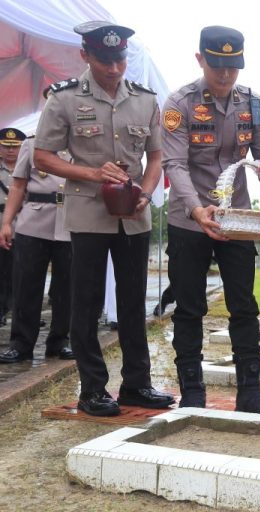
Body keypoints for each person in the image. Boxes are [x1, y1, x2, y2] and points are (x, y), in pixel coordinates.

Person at [34, 21, 174, 416]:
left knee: (133, 302)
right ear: (85, 55)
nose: (113, 69)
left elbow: (156, 157)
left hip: (133, 215)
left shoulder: (144, 99)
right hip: (88, 214)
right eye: (104, 60)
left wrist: (146, 190)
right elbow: (42, 156)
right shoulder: (63, 98)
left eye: (119, 60)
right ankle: (93, 389)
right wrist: (92, 173)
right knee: (87, 302)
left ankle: (136, 385)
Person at [162, 26, 260, 414]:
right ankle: (193, 392)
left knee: (244, 305)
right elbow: (174, 164)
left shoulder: (254, 103)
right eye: (217, 66)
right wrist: (198, 210)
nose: (226, 74)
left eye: (233, 66)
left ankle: (251, 391)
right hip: (189, 219)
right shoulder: (179, 103)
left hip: (236, 219)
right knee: (189, 307)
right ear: (200, 59)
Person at [0, 134, 74, 363]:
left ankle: (60, 341)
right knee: (26, 286)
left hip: (71, 222)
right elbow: (18, 185)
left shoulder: (81, 143)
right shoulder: (31, 144)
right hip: (33, 222)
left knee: (66, 288)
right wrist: (6, 223)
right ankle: (21, 345)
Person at [0, 127, 23, 326]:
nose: (10, 150)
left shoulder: (29, 170)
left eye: (14, 146)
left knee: (21, 273)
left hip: (22, 227)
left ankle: (20, 311)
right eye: (6, 146)